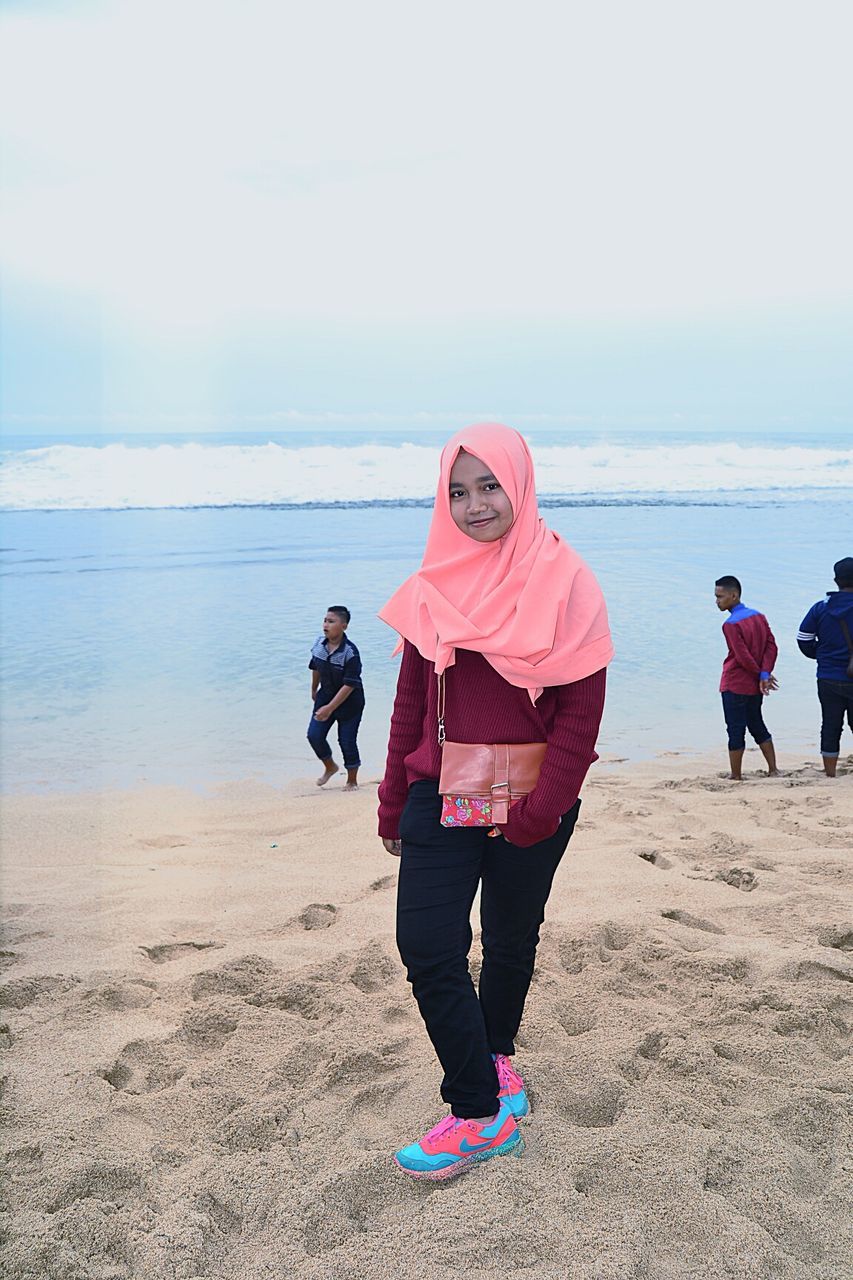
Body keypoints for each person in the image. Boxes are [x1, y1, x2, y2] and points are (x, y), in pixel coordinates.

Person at [377, 423, 613, 1181]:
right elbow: (410, 704)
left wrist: (541, 810)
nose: (474, 504)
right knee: (428, 945)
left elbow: (579, 714)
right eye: (456, 491)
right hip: (439, 789)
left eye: (488, 486)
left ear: (518, 484)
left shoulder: (566, 578)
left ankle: (497, 1062)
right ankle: (478, 1109)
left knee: (510, 939)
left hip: (532, 797)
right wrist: (390, 800)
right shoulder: (434, 581)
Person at [714, 576, 779, 780]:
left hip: (735, 683)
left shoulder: (730, 624)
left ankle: (736, 775)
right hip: (754, 684)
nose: (717, 601)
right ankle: (773, 769)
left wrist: (761, 675)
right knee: (757, 724)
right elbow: (771, 646)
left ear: (734, 595)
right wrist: (764, 674)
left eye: (720, 596)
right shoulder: (759, 616)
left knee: (735, 729)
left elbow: (741, 657)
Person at [796, 556, 853, 777]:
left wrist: (822, 655)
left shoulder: (821, 608)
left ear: (836, 580)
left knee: (830, 724)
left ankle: (830, 773)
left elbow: (803, 639)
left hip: (828, 676)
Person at [307, 606, 364, 791]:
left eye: (331, 622)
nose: (326, 625)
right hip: (326, 696)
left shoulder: (350, 652)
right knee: (314, 735)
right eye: (325, 620)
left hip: (351, 702)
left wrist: (330, 708)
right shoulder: (318, 645)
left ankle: (352, 781)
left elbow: (349, 685)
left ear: (344, 626)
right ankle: (330, 766)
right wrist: (314, 689)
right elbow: (315, 666)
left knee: (346, 740)